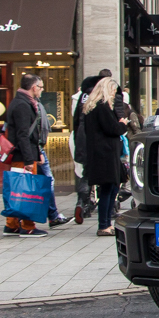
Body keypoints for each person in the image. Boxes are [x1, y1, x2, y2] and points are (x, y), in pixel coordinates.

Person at [2, 73, 58, 237]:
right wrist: (29, 159)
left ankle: (11, 225)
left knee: (17, 188)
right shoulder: (23, 105)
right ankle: (28, 226)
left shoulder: (21, 102)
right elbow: (23, 135)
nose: (41, 91)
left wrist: (37, 153)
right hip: (22, 155)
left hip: (23, 154)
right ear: (34, 87)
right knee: (26, 190)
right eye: (40, 87)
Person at [83, 77, 127, 237]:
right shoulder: (102, 107)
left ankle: (106, 223)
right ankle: (104, 224)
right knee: (108, 189)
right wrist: (122, 123)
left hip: (101, 153)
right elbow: (113, 128)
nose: (115, 95)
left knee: (111, 188)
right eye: (114, 91)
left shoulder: (92, 107)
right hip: (105, 154)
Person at [70, 75, 99, 222]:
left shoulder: (81, 97)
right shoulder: (99, 96)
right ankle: (100, 204)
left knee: (85, 173)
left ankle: (82, 202)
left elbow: (75, 120)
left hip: (81, 135)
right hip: (95, 137)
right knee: (102, 173)